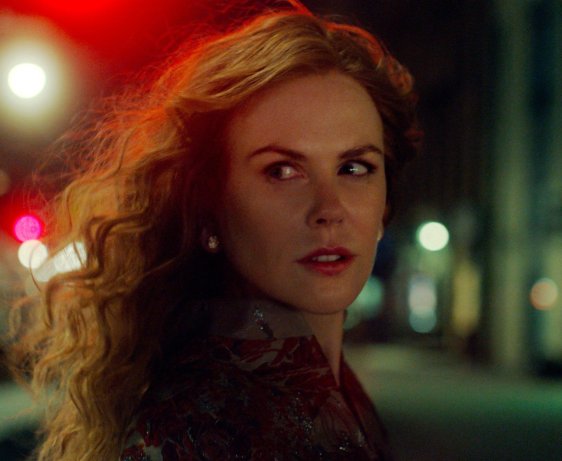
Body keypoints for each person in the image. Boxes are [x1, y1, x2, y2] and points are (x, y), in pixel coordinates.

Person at [6, 2, 421, 460]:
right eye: (282, 171)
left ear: (385, 204)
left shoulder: (324, 388)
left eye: (354, 167)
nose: (329, 209)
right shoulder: (201, 426)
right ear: (208, 207)